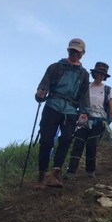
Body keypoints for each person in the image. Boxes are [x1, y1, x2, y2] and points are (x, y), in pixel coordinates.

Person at [34, 38, 91, 188]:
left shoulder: (84, 74)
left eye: (77, 52)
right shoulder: (55, 67)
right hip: (53, 105)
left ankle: (54, 174)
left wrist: (84, 112)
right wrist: (41, 93)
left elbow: (84, 95)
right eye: (72, 51)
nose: (74, 54)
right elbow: (44, 85)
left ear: (83, 54)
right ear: (68, 51)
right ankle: (42, 176)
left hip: (71, 110)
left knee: (66, 139)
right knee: (46, 141)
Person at [64, 62, 112, 179]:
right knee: (78, 144)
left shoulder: (107, 89)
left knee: (91, 144)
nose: (100, 76)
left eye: (102, 74)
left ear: (104, 76)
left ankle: (90, 170)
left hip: (99, 121)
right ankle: (71, 171)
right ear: (94, 74)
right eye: (98, 73)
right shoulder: (86, 87)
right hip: (84, 119)